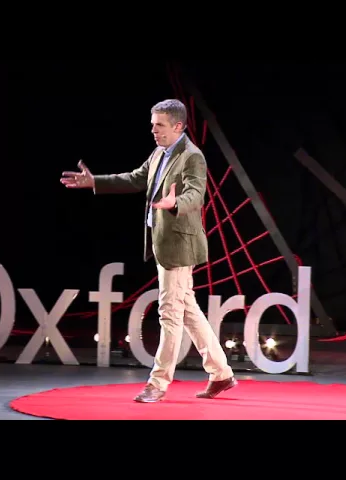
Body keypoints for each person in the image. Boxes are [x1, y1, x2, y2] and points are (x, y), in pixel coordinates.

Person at [60, 99, 237, 403]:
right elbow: (136, 178)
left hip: (178, 245)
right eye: (153, 124)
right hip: (162, 241)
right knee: (187, 309)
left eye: (160, 125)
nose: (153, 130)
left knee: (170, 313)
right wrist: (95, 182)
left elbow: (196, 194)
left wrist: (175, 202)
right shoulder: (159, 152)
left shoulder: (192, 156)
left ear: (178, 126)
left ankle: (158, 382)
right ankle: (221, 373)